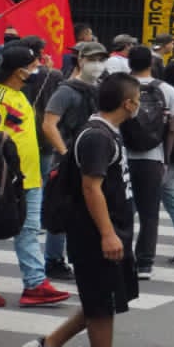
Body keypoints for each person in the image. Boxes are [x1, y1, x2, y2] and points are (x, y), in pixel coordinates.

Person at [21, 75, 147, 347]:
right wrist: (107, 234)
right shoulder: (96, 137)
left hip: (107, 230)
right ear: (127, 103)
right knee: (101, 302)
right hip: (93, 233)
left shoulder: (106, 133)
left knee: (100, 299)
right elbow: (91, 188)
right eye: (138, 99)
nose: (140, 104)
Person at [0, 44, 70, 308]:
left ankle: (35, 284)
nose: (37, 69)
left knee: (29, 229)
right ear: (18, 70)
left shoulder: (20, 95)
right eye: (33, 65)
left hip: (28, 177)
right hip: (4, 179)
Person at [41, 40, 111, 278]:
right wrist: (64, 154)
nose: (97, 65)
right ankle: (53, 259)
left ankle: (84, 257)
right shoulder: (66, 91)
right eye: (92, 59)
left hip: (95, 158)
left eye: (101, 60)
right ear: (80, 60)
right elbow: (49, 125)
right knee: (62, 210)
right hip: (68, 159)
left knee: (90, 210)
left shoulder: (102, 89)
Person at [121, 45, 174, 281]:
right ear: (152, 64)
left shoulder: (120, 87)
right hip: (152, 158)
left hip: (122, 157)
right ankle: (144, 263)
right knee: (149, 213)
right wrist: (166, 158)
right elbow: (172, 127)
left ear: (129, 64)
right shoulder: (166, 90)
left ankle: (122, 258)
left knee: (122, 210)